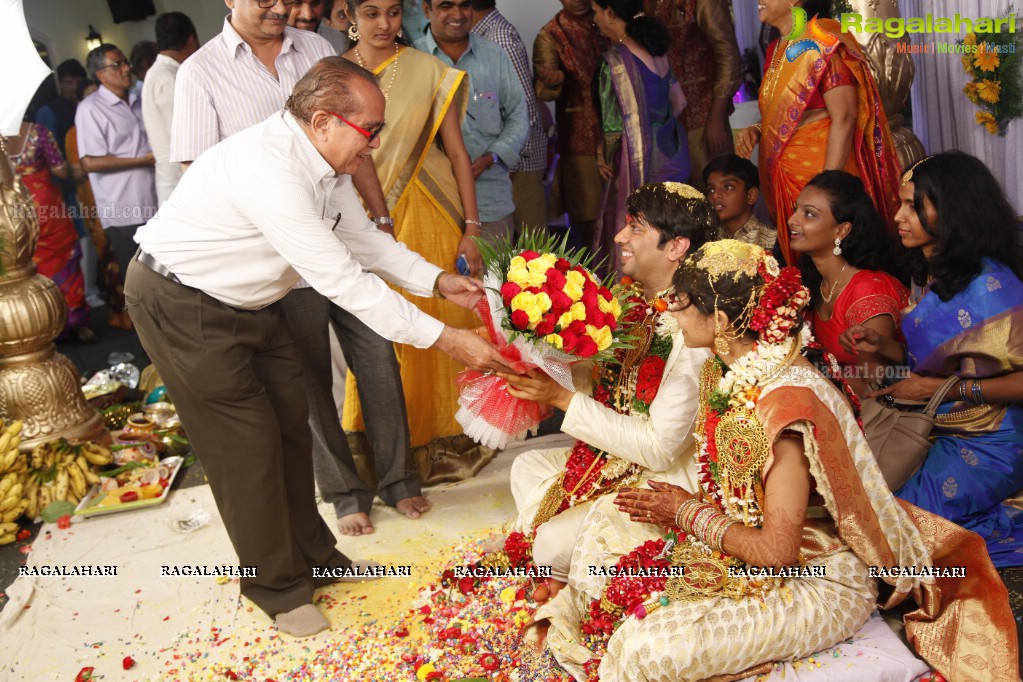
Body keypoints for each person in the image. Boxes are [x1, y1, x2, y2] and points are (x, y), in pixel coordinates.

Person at [125, 57, 515, 639]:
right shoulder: (271, 170)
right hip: (183, 304)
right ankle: (275, 588)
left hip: (254, 304)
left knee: (291, 424)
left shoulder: (329, 165)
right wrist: (449, 339)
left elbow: (366, 243)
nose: (377, 145)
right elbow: (344, 282)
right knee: (246, 448)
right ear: (324, 120)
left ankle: (313, 557)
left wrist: (437, 281)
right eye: (372, 130)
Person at [539, 239, 1017, 681]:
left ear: (722, 321)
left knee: (649, 649)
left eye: (680, 304)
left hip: (817, 578)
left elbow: (777, 554)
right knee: (606, 525)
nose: (670, 313)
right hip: (739, 546)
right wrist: (688, 511)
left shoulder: (783, 407)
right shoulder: (726, 374)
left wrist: (686, 513)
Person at [171, 0, 422, 541]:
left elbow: (358, 147)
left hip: (340, 230)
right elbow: (200, 170)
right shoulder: (200, 71)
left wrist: (378, 218)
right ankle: (344, 493)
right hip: (275, 260)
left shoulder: (314, 48)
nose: (281, 7)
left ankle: (399, 479)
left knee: (379, 357)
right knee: (306, 379)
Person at [496, 182, 713, 597]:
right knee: (526, 468)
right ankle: (566, 567)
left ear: (676, 247)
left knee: (551, 543)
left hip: (663, 478)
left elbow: (659, 449)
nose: (619, 237)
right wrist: (548, 353)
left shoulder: (693, 327)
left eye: (635, 228)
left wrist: (561, 398)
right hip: (614, 458)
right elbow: (609, 390)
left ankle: (572, 573)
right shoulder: (630, 304)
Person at [842, 152, 1023, 569]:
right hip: (931, 421)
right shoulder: (935, 272)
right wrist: (881, 345)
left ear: (952, 210)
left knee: (900, 532)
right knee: (864, 515)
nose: (899, 216)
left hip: (991, 437)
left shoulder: (992, 287)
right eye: (900, 203)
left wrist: (949, 390)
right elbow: (935, 360)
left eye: (913, 206)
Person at [340, 0, 491, 488]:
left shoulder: (428, 69)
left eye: (392, 12)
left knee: (444, 325)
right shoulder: (333, 75)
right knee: (381, 333)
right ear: (348, 16)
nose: (384, 25)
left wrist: (471, 227)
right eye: (371, 13)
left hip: (432, 213)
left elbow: (457, 150)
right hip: (364, 223)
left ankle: (449, 447)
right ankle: (390, 459)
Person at [735, 0, 901, 267]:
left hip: (821, 168)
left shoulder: (823, 40)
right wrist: (757, 129)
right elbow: (784, 113)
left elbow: (844, 117)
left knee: (835, 256)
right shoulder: (775, 49)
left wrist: (824, 188)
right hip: (785, 176)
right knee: (804, 264)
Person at [416, 0, 529, 244]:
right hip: (432, 203)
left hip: (489, 202)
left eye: (464, 5)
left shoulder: (494, 55)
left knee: (492, 282)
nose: (457, 14)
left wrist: (492, 157)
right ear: (427, 10)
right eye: (446, 6)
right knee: (437, 282)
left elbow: (519, 115)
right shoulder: (413, 60)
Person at [592, 0, 690, 273]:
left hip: (640, 163)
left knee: (641, 232)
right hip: (672, 154)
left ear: (610, 13)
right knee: (670, 233)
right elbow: (679, 102)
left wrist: (603, 155)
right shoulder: (658, 53)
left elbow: (613, 130)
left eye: (596, 11)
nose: (595, 19)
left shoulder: (613, 62)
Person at [791, 170, 907, 397]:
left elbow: (877, 386)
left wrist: (805, 376)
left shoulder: (867, 289)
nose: (792, 220)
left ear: (841, 230)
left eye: (809, 214)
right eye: (796, 209)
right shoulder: (814, 283)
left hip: (876, 418)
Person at [76, 43, 157, 282]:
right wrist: (142, 160)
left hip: (156, 202)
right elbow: (89, 162)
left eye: (125, 62)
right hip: (124, 210)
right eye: (117, 64)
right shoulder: (90, 109)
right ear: (101, 74)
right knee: (140, 283)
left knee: (168, 281)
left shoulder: (138, 101)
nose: (126, 68)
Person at [8, 119, 92, 341]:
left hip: (15, 210)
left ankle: (44, 321)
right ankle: (75, 320)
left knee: (31, 264)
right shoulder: (38, 132)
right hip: (47, 206)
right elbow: (60, 169)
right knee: (66, 257)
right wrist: (77, 172)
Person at [533, 0, 608, 248]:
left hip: (621, 132)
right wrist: (552, 81)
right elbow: (542, 93)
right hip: (579, 139)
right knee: (587, 220)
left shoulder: (609, 18)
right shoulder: (551, 34)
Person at [644, 0, 742, 189]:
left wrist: (716, 117)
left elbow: (727, 53)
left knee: (715, 193)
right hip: (663, 122)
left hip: (703, 114)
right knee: (678, 202)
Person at [470, 0, 549, 233]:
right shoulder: (482, 33)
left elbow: (524, 109)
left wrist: (505, 155)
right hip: (500, 159)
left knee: (530, 248)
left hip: (517, 160)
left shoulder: (499, 36)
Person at [66, 81, 132, 331]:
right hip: (94, 201)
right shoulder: (73, 134)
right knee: (109, 260)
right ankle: (120, 313)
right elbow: (78, 171)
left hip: (122, 197)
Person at [142, 12, 199, 208]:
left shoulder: (160, 73)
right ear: (192, 39)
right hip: (180, 181)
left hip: (178, 178)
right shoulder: (168, 77)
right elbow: (188, 136)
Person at [703, 153, 775, 248]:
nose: (715, 195)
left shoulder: (772, 241)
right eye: (710, 190)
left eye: (727, 187)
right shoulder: (707, 240)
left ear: (751, 196)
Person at [35, 59, 86, 157]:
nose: (75, 87)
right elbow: (50, 153)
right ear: (60, 83)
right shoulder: (48, 111)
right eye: (69, 83)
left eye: (78, 82)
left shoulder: (90, 104)